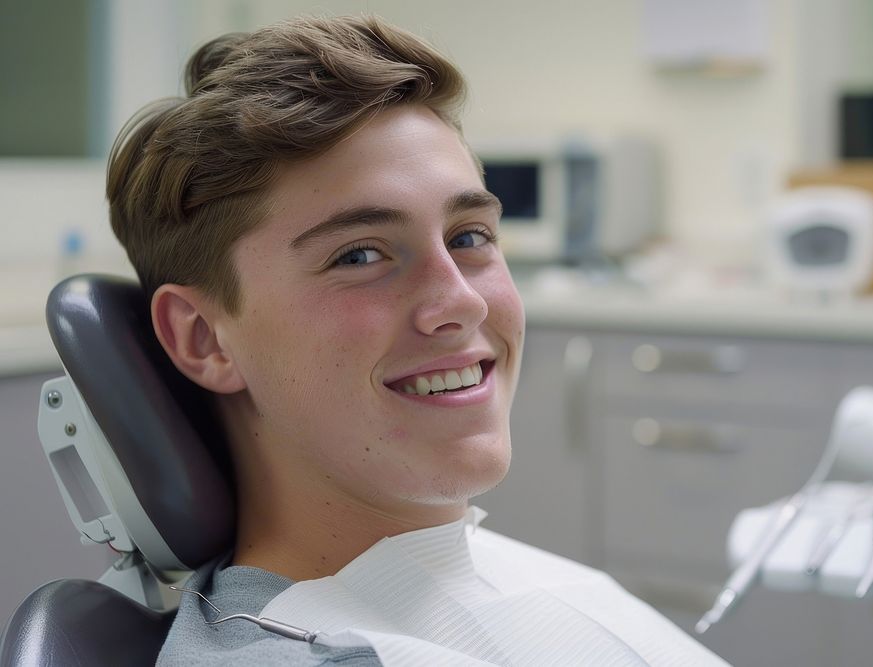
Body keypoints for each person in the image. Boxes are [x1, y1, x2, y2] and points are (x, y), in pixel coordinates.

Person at [108, 14, 727, 666]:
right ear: (205, 338)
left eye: (469, 236)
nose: (461, 300)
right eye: (360, 255)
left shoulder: (481, 569)